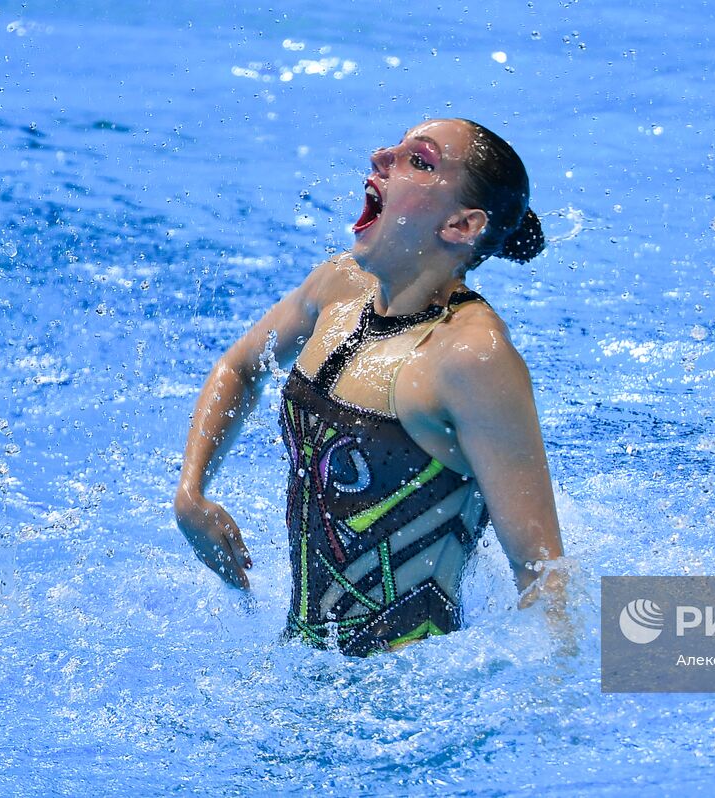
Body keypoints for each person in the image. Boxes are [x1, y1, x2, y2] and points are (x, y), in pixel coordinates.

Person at [174, 118, 566, 655]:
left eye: (419, 161)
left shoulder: (469, 357)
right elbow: (239, 368)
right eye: (395, 146)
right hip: (303, 662)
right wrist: (192, 495)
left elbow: (542, 571)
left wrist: (554, 707)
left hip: (413, 692)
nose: (382, 156)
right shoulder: (339, 287)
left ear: (460, 224)